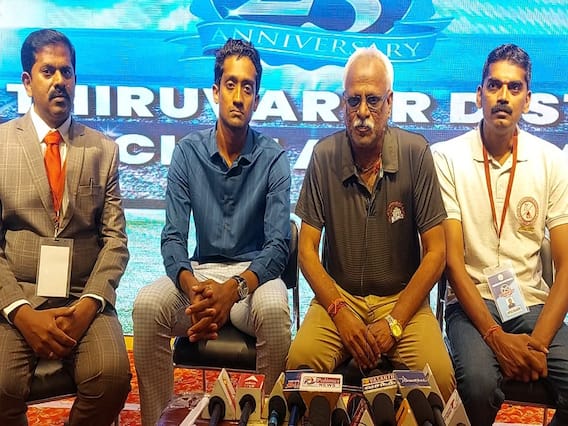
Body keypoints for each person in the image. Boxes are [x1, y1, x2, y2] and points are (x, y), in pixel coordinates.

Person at [132, 38, 292, 425]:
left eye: (247, 87)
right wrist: (193, 290)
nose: (238, 97)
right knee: (147, 306)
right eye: (231, 85)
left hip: (252, 281)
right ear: (216, 92)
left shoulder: (274, 158)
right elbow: (173, 238)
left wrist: (232, 290)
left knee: (275, 311)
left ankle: (267, 419)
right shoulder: (187, 152)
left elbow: (277, 247)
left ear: (256, 99)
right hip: (200, 279)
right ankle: (157, 420)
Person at [286, 46, 455, 401]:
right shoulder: (324, 156)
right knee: (299, 367)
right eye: (354, 100)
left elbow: (437, 253)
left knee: (440, 378)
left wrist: (395, 321)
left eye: (373, 100)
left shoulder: (416, 153)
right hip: (339, 300)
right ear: (343, 104)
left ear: (389, 102)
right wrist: (339, 311)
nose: (363, 112)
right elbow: (306, 251)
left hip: (402, 302)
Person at [0, 29, 131, 425]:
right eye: (48, 72)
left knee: (112, 378)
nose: (60, 81)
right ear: (27, 82)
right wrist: (21, 313)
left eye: (67, 72)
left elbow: (115, 241)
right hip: (18, 298)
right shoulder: (1, 146)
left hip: (81, 296)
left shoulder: (102, 150)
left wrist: (89, 305)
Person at [433, 43, 568, 425]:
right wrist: (496, 338)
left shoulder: (551, 160)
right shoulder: (447, 158)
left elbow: (566, 267)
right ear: (479, 95)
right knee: (477, 386)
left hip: (531, 304)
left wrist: (536, 346)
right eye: (494, 86)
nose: (503, 96)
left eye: (514, 87)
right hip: (470, 304)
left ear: (528, 99)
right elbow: (453, 264)